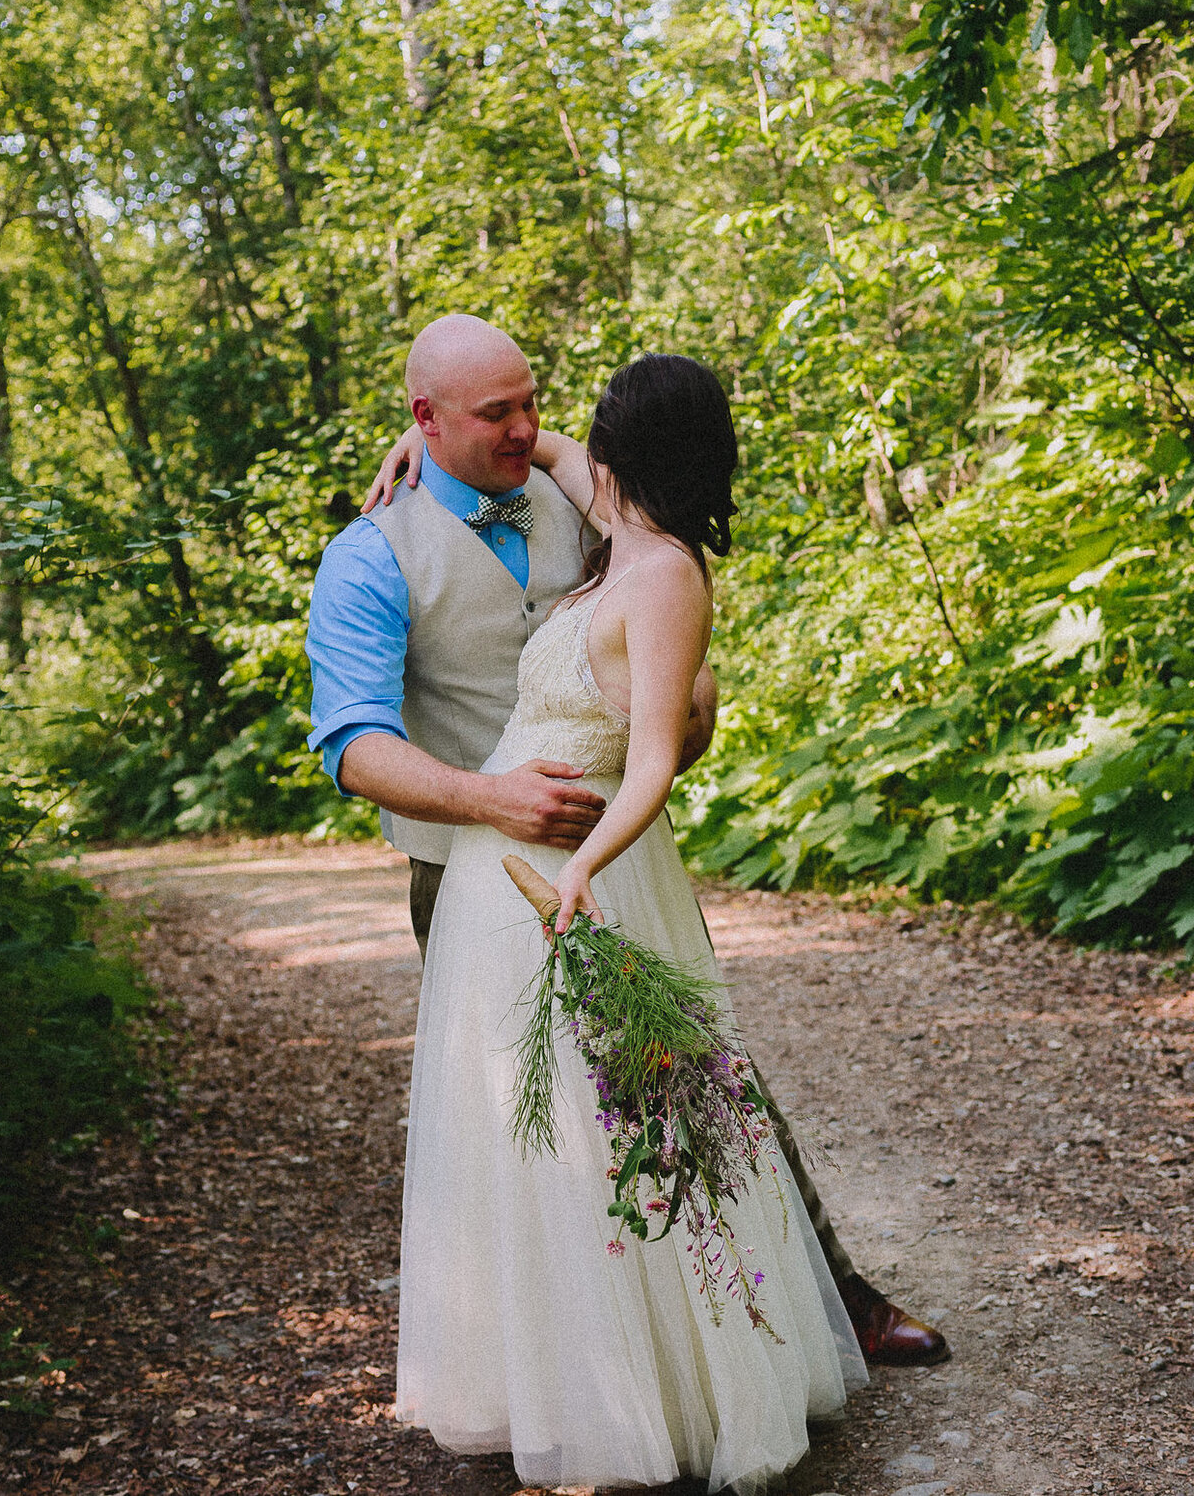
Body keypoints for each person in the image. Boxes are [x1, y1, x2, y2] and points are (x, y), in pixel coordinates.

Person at [305, 315, 949, 1369]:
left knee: (701, 1077)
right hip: (472, 874)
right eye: (493, 413)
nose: (524, 428)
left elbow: (658, 635)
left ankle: (826, 1301)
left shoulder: (580, 490)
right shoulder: (369, 557)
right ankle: (578, 1365)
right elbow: (354, 745)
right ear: (423, 421)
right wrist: (488, 798)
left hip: (617, 850)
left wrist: (692, 700)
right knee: (530, 1120)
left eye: (531, 402)